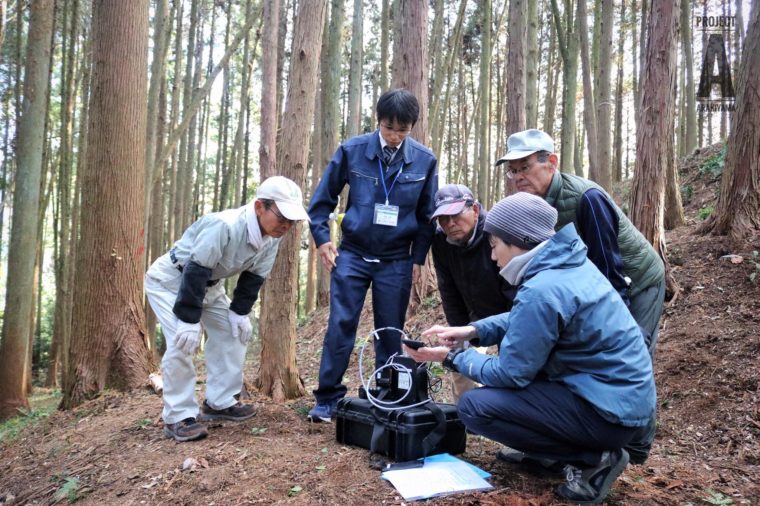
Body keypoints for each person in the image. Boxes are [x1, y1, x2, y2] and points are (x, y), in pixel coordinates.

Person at [405, 193, 656, 504]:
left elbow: (512, 373)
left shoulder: (542, 287)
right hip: (617, 401)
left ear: (517, 241)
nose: (493, 256)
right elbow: (526, 317)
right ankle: (548, 455)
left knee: (475, 407)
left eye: (495, 245)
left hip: (607, 413)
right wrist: (473, 329)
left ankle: (593, 458)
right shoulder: (567, 266)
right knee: (510, 393)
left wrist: (454, 357)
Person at [495, 128, 665, 464]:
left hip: (636, 281)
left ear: (551, 162)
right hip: (588, 287)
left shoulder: (587, 197)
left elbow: (608, 268)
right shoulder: (532, 205)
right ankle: (568, 440)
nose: (517, 177)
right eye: (512, 170)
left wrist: (621, 326)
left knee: (633, 353)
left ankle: (635, 448)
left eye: (524, 167)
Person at [307, 88, 438, 422]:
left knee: (390, 332)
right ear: (378, 121)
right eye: (389, 128)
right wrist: (323, 240)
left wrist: (418, 260)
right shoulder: (352, 151)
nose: (394, 137)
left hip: (396, 259)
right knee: (341, 325)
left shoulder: (424, 160)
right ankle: (328, 398)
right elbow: (322, 200)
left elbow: (427, 216)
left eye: (402, 130)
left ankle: (385, 395)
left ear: (412, 127)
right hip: (352, 254)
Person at [145, 176, 310, 442]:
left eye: (292, 221)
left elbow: (254, 277)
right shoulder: (224, 226)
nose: (287, 225)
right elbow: (195, 269)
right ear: (259, 207)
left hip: (208, 285)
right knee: (182, 341)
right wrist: (189, 320)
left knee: (233, 333)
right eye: (282, 217)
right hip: (172, 281)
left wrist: (239, 312)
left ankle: (219, 401)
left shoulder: (272, 237)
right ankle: (178, 416)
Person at [429, 184, 516, 400]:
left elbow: (513, 284)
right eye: (443, 218)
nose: (450, 224)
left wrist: (510, 324)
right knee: (458, 358)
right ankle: (464, 419)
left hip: (509, 310)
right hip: (470, 311)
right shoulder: (440, 241)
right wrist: (457, 329)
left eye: (456, 215)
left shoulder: (497, 231)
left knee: (512, 369)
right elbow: (448, 288)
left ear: (475, 210)